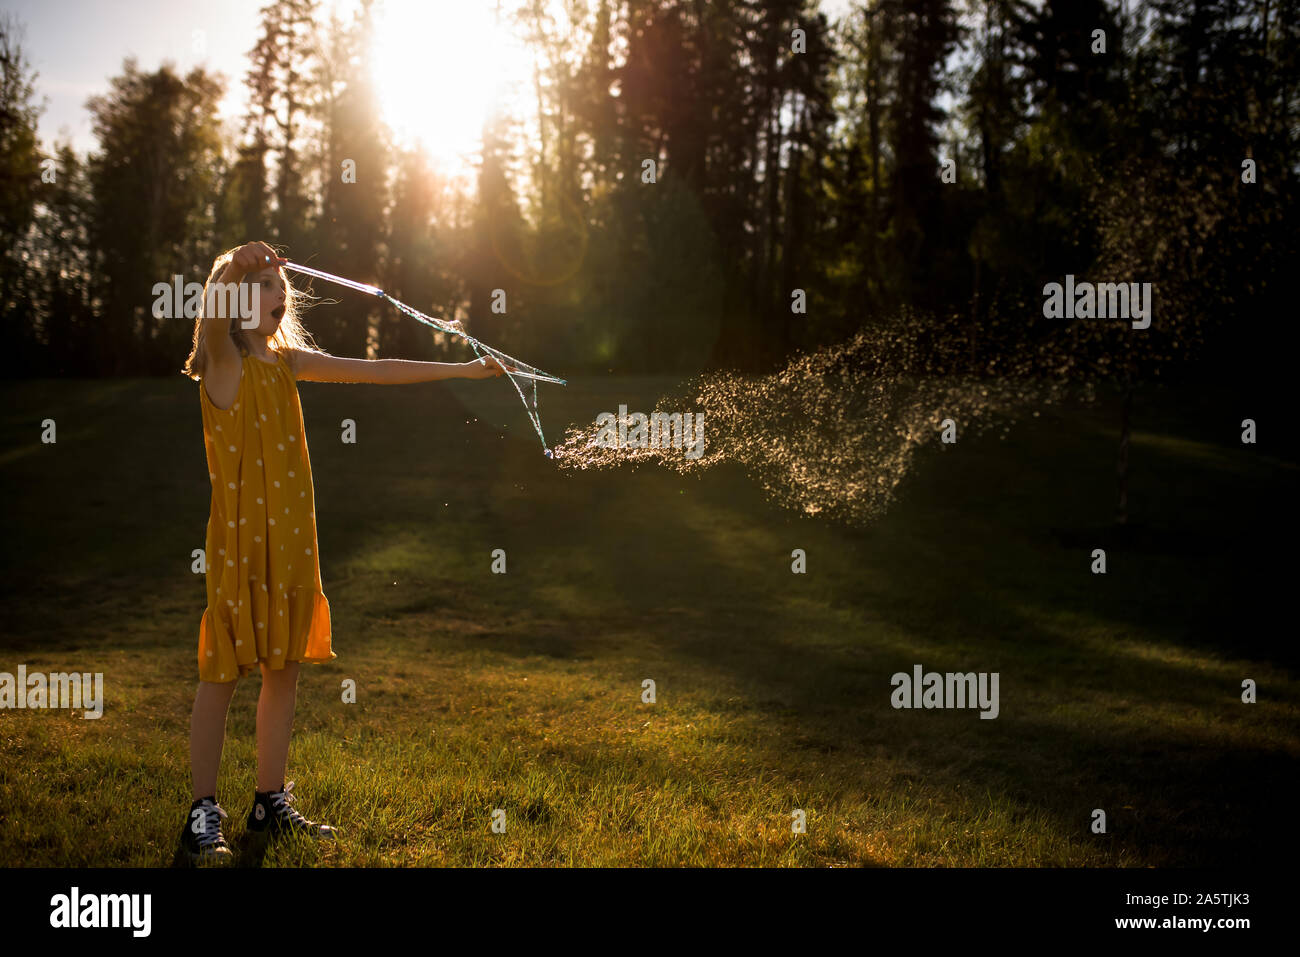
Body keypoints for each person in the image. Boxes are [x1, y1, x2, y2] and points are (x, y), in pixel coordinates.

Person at [178, 241, 510, 865]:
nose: (277, 294)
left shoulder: (287, 364)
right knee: (221, 675)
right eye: (264, 286)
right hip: (241, 549)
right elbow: (216, 303)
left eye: (281, 286)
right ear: (234, 301)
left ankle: (268, 802)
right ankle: (202, 811)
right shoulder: (224, 364)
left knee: (284, 670)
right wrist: (238, 261)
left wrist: (466, 372)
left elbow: (375, 370)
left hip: (293, 546)